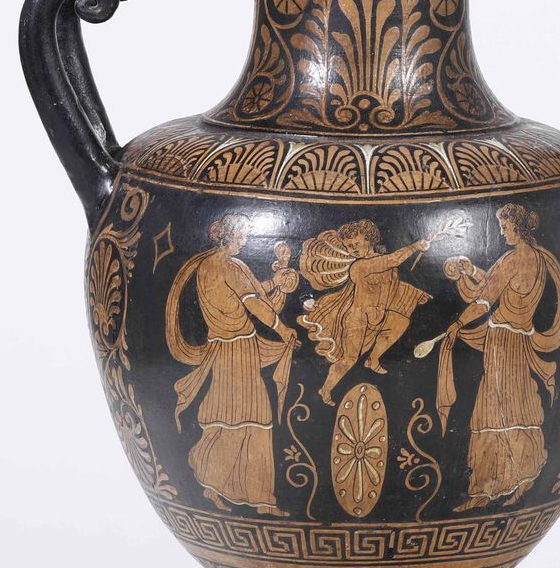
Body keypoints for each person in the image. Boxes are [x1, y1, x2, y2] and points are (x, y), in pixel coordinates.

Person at [434, 204, 560, 512]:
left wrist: (456, 324)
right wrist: (471, 271)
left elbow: (484, 301)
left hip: (503, 343)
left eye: (506, 228)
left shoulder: (512, 260)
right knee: (515, 407)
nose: (502, 233)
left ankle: (498, 484)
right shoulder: (538, 259)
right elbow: (499, 285)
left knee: (495, 410)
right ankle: (505, 483)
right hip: (518, 341)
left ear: (518, 229)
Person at [164, 214, 299, 515]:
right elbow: (255, 304)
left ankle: (229, 490)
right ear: (231, 237)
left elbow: (247, 293)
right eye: (243, 237)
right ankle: (249, 495)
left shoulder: (207, 264)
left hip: (224, 349)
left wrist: (275, 282)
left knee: (227, 415)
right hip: (238, 351)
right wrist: (283, 329)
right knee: (251, 417)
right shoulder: (230, 266)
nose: (245, 241)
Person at [299, 219, 430, 406]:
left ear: (369, 239)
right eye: (348, 246)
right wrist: (414, 246)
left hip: (379, 314)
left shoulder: (383, 263)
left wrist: (414, 294)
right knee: (349, 359)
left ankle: (373, 359)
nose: (352, 249)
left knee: (401, 322)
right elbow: (392, 260)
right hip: (357, 318)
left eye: (356, 244)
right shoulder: (359, 266)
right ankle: (326, 388)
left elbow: (391, 285)